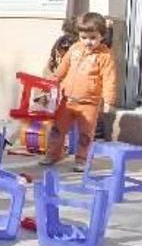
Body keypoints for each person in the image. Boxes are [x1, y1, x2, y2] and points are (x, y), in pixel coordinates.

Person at [40, 12, 117, 172]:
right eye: (84, 37)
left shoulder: (105, 56)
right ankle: (53, 154)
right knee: (57, 129)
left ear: (102, 36)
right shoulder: (74, 49)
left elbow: (109, 79)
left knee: (85, 134)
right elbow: (63, 68)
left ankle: (82, 159)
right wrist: (53, 81)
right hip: (67, 100)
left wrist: (109, 101)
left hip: (89, 103)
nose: (88, 41)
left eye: (93, 38)